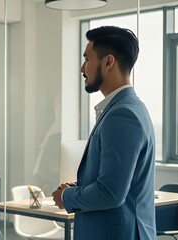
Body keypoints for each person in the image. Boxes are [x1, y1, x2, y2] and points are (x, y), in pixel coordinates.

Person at [51, 26, 156, 240]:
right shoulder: (127, 108)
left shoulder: (123, 114)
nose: (82, 68)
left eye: (87, 59)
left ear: (108, 62)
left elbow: (110, 193)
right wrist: (81, 187)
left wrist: (67, 196)